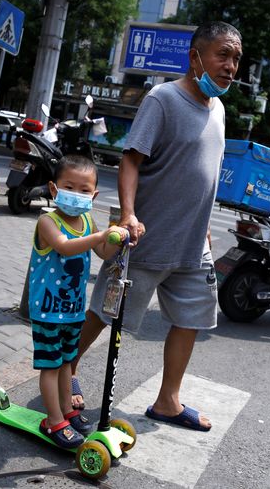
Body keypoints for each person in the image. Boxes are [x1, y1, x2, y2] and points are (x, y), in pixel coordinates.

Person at [70, 21, 243, 432]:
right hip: (145, 240)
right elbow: (131, 158)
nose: (231, 66)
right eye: (223, 54)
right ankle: (66, 369)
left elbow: (202, 175)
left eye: (236, 58)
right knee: (104, 312)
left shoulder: (218, 109)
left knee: (191, 319)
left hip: (192, 246)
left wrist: (203, 227)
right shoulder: (163, 99)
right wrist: (127, 214)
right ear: (196, 56)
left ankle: (168, 401)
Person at [28, 154, 128, 448]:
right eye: (69, 187)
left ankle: (67, 411)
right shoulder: (48, 221)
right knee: (50, 366)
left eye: (84, 190)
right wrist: (101, 235)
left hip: (72, 311)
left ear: (94, 194)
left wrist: (116, 241)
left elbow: (103, 255)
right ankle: (53, 419)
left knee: (67, 362)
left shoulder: (87, 219)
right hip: (48, 311)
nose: (77, 194)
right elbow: (65, 247)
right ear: (54, 188)